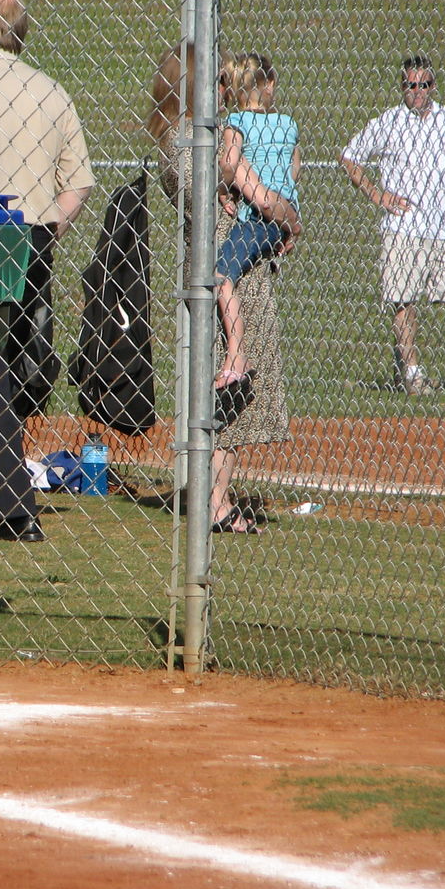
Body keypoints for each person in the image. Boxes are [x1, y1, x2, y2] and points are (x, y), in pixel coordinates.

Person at [147, 43, 300, 535]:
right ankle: (212, 505)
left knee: (241, 399)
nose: (226, 92)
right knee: (225, 395)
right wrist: (256, 195)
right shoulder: (184, 139)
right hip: (217, 275)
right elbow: (200, 190)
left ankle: (218, 498)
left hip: (244, 268)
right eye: (216, 83)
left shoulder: (219, 133)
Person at [0, 0, 94, 542]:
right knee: (12, 364)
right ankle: (9, 494)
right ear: (24, 33)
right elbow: (80, 183)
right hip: (26, 238)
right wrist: (47, 228)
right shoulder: (50, 91)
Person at [340, 54, 445, 395]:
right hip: (403, 229)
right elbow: (350, 156)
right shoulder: (390, 122)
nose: (418, 91)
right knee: (403, 301)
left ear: (434, 86)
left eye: (424, 84)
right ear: (402, 87)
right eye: (411, 85)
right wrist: (379, 196)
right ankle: (413, 375)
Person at [214, 52, 300, 416]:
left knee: (219, 277)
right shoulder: (287, 123)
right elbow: (294, 168)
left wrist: (223, 188)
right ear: (269, 85)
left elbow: (230, 164)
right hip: (281, 213)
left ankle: (236, 353)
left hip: (255, 219)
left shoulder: (236, 121)